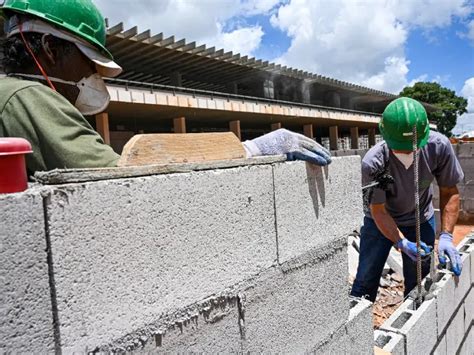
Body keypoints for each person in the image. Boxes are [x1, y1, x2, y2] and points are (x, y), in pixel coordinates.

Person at [0, 0, 331, 175]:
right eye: (88, 61)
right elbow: (121, 176)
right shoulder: (28, 99)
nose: (90, 75)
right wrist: (252, 150)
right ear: (49, 48)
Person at [351, 97, 463, 302]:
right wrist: (401, 242)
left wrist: (446, 235)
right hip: (380, 223)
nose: (407, 153)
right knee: (365, 282)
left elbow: (450, 192)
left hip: (420, 218)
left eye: (411, 147)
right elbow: (378, 210)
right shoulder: (373, 162)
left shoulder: (439, 147)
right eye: (400, 148)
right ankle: (358, 331)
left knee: (420, 284)